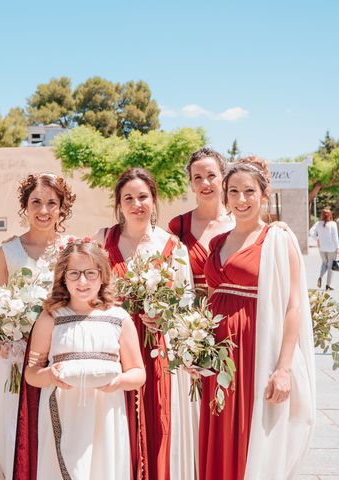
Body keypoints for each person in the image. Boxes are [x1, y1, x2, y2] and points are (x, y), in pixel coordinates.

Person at [199, 156, 315, 479]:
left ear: (264, 195)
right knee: (219, 430)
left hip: (256, 353)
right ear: (225, 198)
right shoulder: (217, 242)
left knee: (253, 435)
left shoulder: (278, 239)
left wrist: (283, 367)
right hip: (219, 358)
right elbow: (210, 300)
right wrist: (198, 350)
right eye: (233, 192)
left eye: (249, 191)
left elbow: (294, 306)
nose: (241, 199)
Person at [97, 167, 198, 480]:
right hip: (113, 346)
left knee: (157, 420)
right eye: (128, 197)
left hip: (156, 346)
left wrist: (164, 317)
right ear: (119, 203)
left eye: (143, 196)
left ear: (154, 200)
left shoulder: (172, 247)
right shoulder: (103, 239)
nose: (136, 203)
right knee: (115, 422)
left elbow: (187, 300)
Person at [15, 238, 146, 479]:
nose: (82, 281)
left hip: (106, 413)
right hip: (63, 411)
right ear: (63, 277)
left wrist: (118, 382)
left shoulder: (119, 318)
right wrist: (50, 374)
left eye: (90, 273)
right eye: (74, 274)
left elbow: (138, 373)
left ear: (102, 275)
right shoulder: (50, 317)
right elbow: (32, 374)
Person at [0, 173, 75, 479]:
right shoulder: (8, 252)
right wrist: (4, 336)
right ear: (25, 206)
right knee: (9, 432)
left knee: (60, 433)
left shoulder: (73, 250)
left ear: (62, 208)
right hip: (15, 356)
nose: (43, 210)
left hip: (61, 355)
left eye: (52, 202)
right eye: (36, 201)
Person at [168, 148, 234, 296]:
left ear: (223, 179)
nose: (205, 183)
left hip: (231, 312)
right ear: (191, 184)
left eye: (211, 175)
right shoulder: (178, 226)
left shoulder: (240, 223)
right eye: (197, 177)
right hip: (189, 315)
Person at [310, 208, 339, 290]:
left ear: (322, 215)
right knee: (330, 266)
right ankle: (328, 285)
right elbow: (335, 237)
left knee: (324, 263)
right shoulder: (333, 224)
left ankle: (320, 276)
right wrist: (338, 248)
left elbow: (311, 231)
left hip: (322, 248)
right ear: (330, 215)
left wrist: (317, 239)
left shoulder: (318, 223)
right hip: (332, 248)